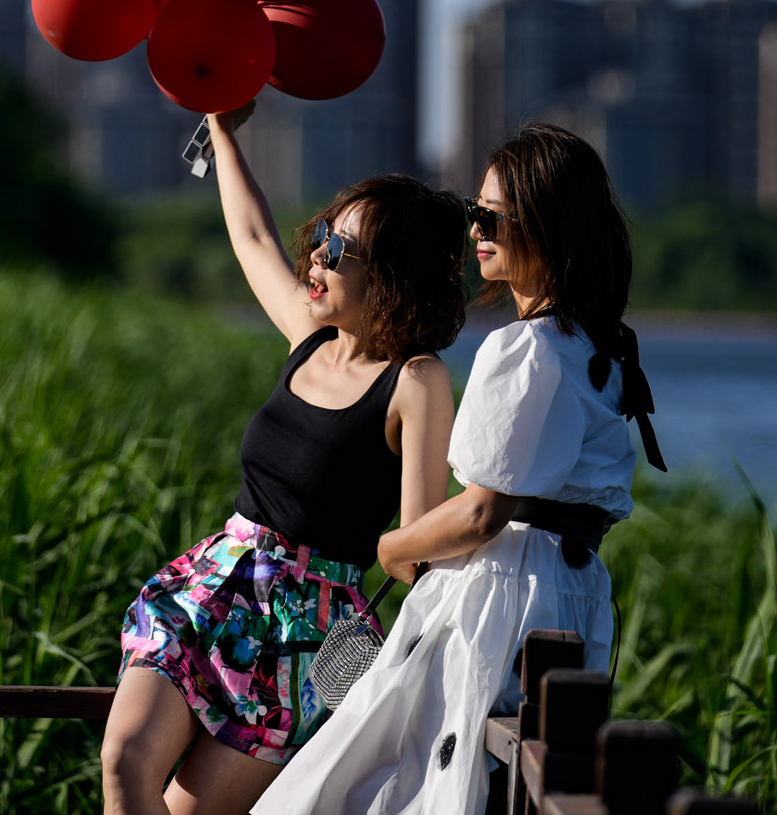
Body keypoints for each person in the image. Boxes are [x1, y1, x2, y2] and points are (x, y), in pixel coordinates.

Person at [252, 123, 667, 815]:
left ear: (544, 225)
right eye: (476, 215)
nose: (475, 229)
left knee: (384, 783)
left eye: (490, 217)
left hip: (500, 591)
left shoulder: (528, 348)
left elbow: (483, 511)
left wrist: (393, 546)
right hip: (568, 590)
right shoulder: (595, 349)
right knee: (483, 783)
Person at [101, 106, 470, 815]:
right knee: (124, 763)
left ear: (391, 278)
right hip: (214, 586)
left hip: (311, 635)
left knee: (186, 812)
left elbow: (415, 549)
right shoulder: (309, 337)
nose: (318, 258)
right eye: (324, 237)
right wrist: (221, 131)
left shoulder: (416, 381)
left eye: (341, 251)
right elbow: (249, 233)